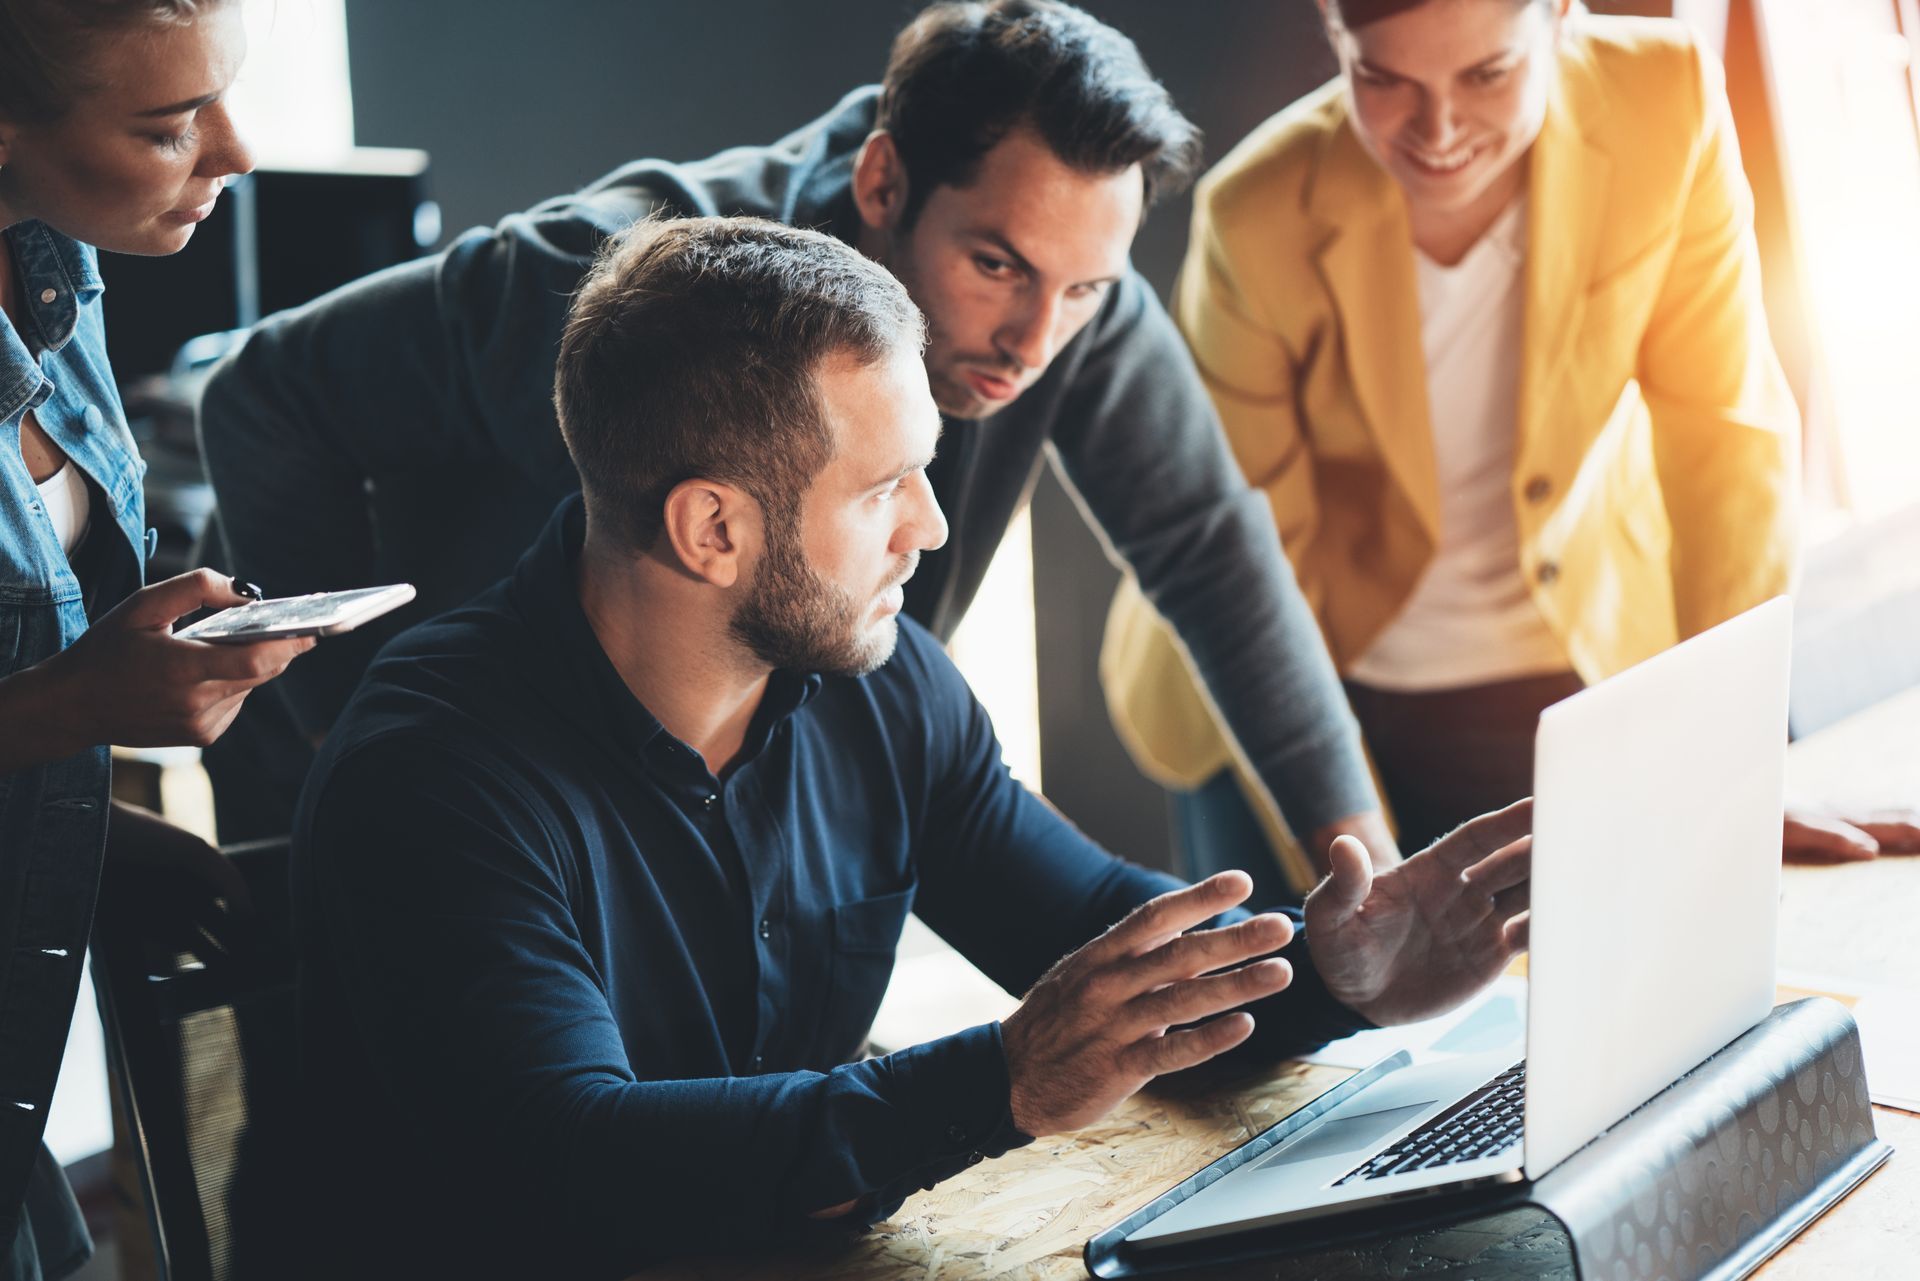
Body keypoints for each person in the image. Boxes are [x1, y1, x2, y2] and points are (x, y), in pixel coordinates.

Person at [291, 214, 1533, 1280]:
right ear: (712, 528)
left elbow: (1104, 940)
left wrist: (1332, 971)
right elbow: (580, 1163)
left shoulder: (884, 694)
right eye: (885, 488)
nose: (931, 530)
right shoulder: (434, 777)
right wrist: (1000, 1085)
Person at [199, 0, 1404, 869]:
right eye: (997, 264)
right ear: (882, 185)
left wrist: (1368, 876)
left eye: (1086, 288)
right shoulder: (607, 281)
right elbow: (260, 393)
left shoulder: (1068, 308)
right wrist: (352, 726)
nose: (1041, 336)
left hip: (706, 820)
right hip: (431, 806)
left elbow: (1212, 556)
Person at [1101, 0, 1916, 902]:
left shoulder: (1664, 99)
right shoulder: (1259, 212)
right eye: (1385, 80)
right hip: (1299, 686)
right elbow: (1246, 556)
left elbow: (1725, 440)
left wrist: (1732, 764)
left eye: (1486, 74)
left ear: (1561, 18)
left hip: (1563, 669)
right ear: (1336, 39)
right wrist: (1357, 854)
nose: (1439, 131)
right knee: (1307, 1013)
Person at [0, 1, 315, 1275]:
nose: (235, 151)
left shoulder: (54, 273)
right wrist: (75, 711)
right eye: (171, 123)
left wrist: (99, 835)